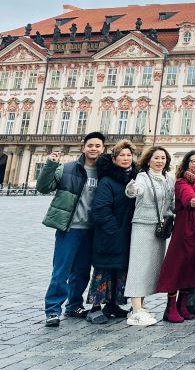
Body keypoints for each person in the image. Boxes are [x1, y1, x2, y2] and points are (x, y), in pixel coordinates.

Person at [38, 131, 106, 327]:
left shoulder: (104, 172)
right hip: (70, 227)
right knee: (61, 270)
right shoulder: (67, 168)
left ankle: (74, 305)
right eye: (90, 145)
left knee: (82, 271)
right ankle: (53, 310)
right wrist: (50, 165)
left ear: (103, 149)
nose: (94, 149)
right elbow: (43, 187)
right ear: (83, 148)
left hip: (92, 229)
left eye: (97, 146)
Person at [155, 150, 195, 323]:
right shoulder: (182, 181)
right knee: (177, 267)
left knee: (192, 268)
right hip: (185, 231)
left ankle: (182, 305)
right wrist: (191, 199)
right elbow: (186, 195)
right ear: (187, 164)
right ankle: (170, 308)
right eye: (194, 161)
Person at [85, 141, 138, 324]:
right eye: (122, 155)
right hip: (109, 234)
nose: (126, 158)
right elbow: (100, 209)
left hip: (126, 233)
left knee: (120, 269)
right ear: (114, 159)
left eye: (129, 155)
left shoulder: (134, 179)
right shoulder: (107, 180)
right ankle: (95, 307)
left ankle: (113, 304)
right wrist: (114, 231)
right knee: (104, 269)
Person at [124, 145, 175, 326]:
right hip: (143, 226)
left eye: (163, 158)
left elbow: (173, 203)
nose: (160, 161)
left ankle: (141, 305)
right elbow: (135, 190)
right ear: (148, 160)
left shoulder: (169, 179)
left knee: (151, 268)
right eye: (156, 158)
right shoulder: (143, 177)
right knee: (138, 266)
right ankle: (136, 310)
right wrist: (132, 189)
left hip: (160, 228)